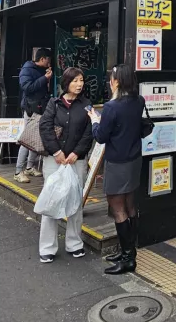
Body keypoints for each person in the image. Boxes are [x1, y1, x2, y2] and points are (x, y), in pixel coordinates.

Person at [87, 64, 145, 275]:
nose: (110, 81)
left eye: (112, 78)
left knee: (117, 207)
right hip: (134, 159)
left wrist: (95, 121)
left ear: (117, 81)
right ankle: (128, 252)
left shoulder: (112, 107)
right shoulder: (139, 101)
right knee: (130, 206)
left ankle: (128, 258)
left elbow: (101, 136)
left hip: (117, 162)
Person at [37, 67, 93, 263]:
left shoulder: (86, 105)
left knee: (76, 202)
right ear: (66, 83)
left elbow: (90, 131)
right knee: (51, 200)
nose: (79, 84)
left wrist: (77, 152)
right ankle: (47, 247)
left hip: (76, 161)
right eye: (75, 80)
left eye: (81, 80)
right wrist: (57, 151)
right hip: (55, 160)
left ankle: (74, 243)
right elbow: (45, 127)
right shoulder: (54, 103)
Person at [15, 48, 53, 184]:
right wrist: (45, 78)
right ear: (42, 59)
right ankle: (18, 171)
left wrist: (46, 77)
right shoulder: (27, 69)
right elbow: (27, 88)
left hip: (41, 108)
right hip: (31, 109)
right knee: (27, 140)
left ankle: (30, 166)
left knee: (36, 138)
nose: (50, 62)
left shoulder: (41, 70)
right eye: (48, 59)